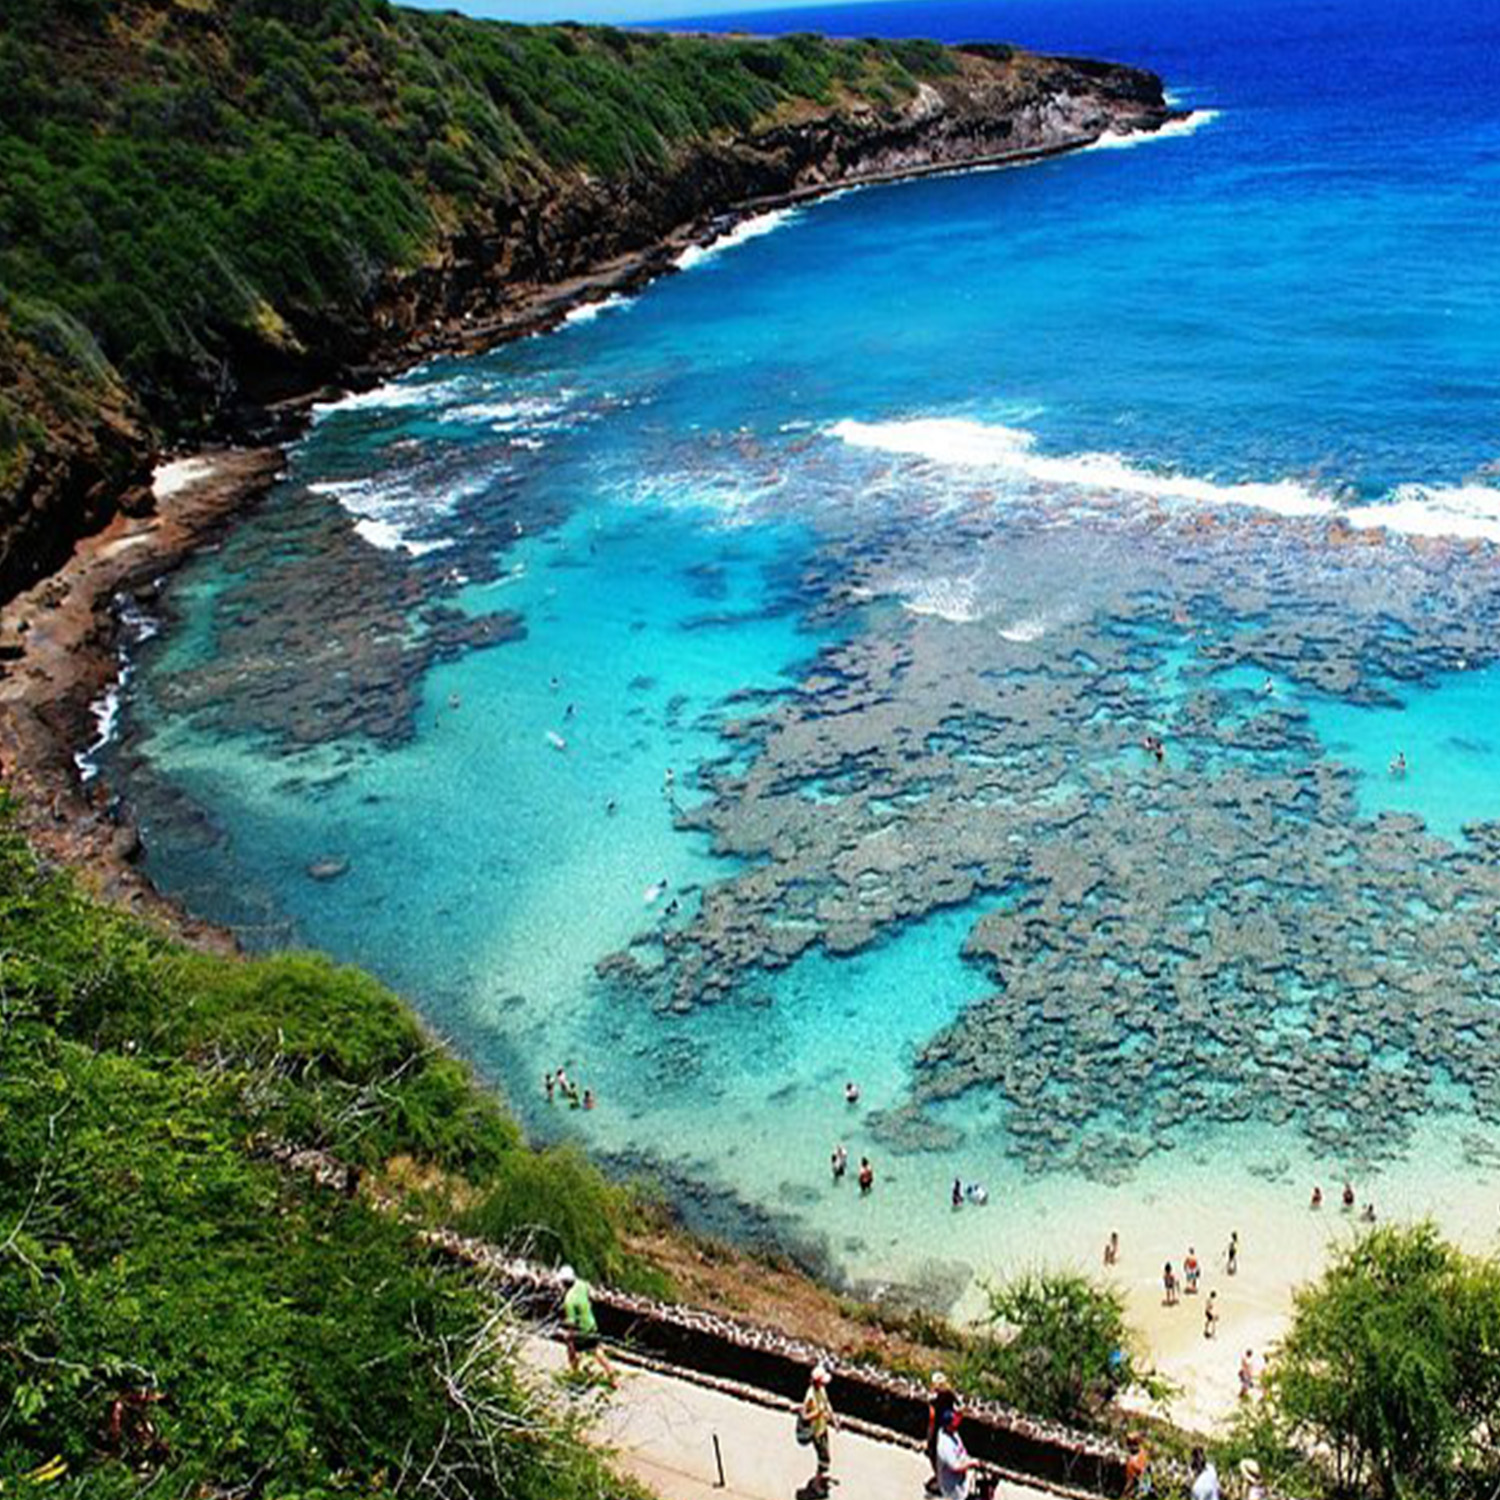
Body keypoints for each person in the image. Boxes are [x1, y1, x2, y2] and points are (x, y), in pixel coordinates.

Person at [559, 1265, 616, 1386]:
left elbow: (572, 1323)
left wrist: (568, 1336)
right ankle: (611, 1374)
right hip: (591, 1325)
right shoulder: (582, 1284)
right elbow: (590, 1297)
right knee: (597, 1351)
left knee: (571, 1347)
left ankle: (574, 1372)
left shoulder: (569, 1300)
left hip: (582, 1331)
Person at [800, 1365, 837, 1496]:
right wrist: (818, 1413)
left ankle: (820, 1476)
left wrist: (833, 1419)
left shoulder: (821, 1389)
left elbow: (826, 1403)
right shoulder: (810, 1397)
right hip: (816, 1432)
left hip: (822, 1428)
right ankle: (816, 1484)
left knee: (825, 1456)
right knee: (824, 1459)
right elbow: (804, 1416)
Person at [925, 1373, 958, 1496]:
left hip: (937, 1433)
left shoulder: (935, 1404)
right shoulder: (950, 1397)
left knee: (934, 1456)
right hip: (948, 1432)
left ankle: (940, 1481)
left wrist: (929, 1437)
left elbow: (932, 1420)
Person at [934, 1406, 977, 1499]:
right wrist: (971, 1463)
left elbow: (961, 1449)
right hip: (953, 1487)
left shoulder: (952, 1432)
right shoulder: (944, 1445)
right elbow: (956, 1466)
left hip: (960, 1476)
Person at [1122, 1432, 1152, 1498]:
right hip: (1130, 1482)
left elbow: (1142, 1472)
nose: (1129, 1447)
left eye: (1131, 1444)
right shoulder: (1131, 1456)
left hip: (1137, 1486)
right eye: (1129, 1444)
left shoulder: (1142, 1455)